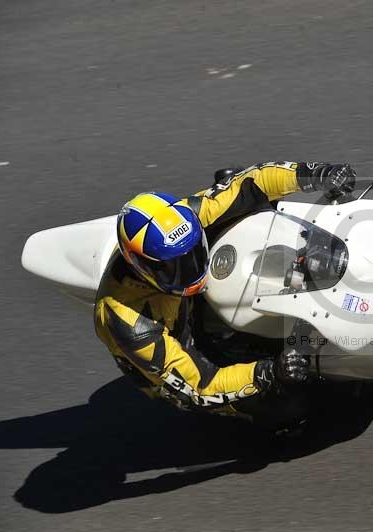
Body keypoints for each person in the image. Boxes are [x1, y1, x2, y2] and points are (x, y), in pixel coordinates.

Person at [93, 161, 356, 429]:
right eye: (173, 267)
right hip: (189, 349)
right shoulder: (130, 323)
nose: (190, 268)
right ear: (140, 266)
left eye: (194, 252)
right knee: (290, 405)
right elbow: (199, 386)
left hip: (193, 304)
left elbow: (250, 183)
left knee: (252, 205)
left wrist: (313, 174)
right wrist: (267, 373)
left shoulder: (189, 215)